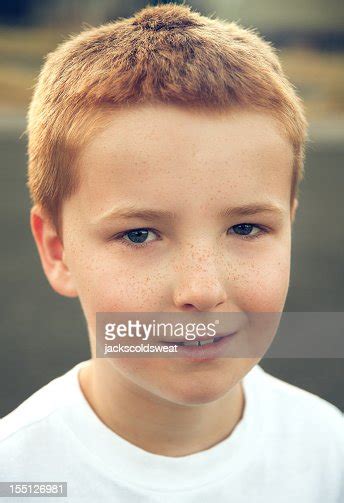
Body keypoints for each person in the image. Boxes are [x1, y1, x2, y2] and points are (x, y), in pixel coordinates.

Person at [0, 3, 343, 502]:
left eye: (246, 228)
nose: (202, 291)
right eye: (139, 235)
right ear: (57, 250)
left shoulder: (327, 454)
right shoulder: (17, 475)